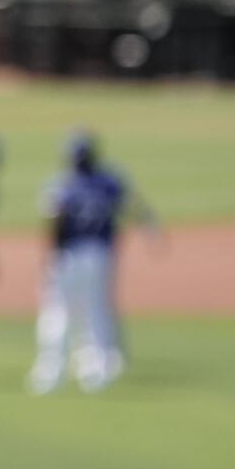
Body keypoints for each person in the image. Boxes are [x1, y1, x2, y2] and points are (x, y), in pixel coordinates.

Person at [28, 131, 158, 395]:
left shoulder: (62, 185)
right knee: (97, 310)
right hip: (100, 255)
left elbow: (54, 221)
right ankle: (97, 371)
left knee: (58, 312)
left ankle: (51, 373)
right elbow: (133, 204)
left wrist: (49, 255)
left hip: (69, 255)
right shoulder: (108, 182)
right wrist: (150, 227)